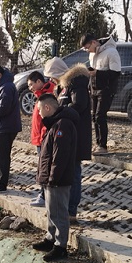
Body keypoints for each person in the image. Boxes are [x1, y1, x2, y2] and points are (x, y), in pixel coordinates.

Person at [45, 57, 92, 224]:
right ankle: (62, 207)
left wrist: (60, 112)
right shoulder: (61, 87)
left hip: (76, 135)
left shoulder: (76, 83)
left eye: (51, 75)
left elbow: (79, 105)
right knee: (65, 172)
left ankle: (72, 211)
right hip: (63, 135)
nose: (50, 80)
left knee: (74, 173)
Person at [32, 94, 78, 262]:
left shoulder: (62, 125)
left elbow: (60, 157)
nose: (38, 114)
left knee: (59, 213)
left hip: (57, 180)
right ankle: (50, 238)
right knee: (51, 211)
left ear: (47, 108)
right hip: (50, 179)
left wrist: (53, 178)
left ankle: (60, 246)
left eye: (39, 110)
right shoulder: (55, 124)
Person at [80, 33, 121, 156]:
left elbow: (116, 73)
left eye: (87, 47)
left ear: (93, 42)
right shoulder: (93, 54)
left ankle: (103, 146)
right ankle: (98, 144)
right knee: (94, 117)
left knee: (100, 116)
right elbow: (94, 70)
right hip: (94, 88)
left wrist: (97, 73)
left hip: (106, 89)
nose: (87, 51)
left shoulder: (111, 52)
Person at [0, 64, 22, 192]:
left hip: (6, 126)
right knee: (1, 154)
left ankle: (2, 183)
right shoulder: (3, 86)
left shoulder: (6, 87)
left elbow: (3, 109)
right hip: (4, 126)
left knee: (3, 155)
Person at [27, 71, 54, 207]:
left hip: (44, 138)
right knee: (42, 168)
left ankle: (44, 196)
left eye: (31, 84)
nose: (30, 88)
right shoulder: (39, 96)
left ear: (39, 82)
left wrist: (43, 136)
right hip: (39, 138)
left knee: (44, 168)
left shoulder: (47, 95)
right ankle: (42, 194)